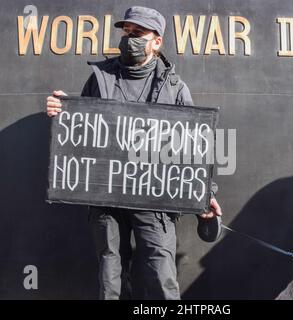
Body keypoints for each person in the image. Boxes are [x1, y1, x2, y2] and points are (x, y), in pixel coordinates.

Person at [46, 6, 222, 300]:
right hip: (106, 195)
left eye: (138, 33)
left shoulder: (175, 88)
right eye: (126, 32)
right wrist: (63, 112)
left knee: (161, 273)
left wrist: (204, 193)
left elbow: (193, 148)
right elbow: (82, 129)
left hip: (155, 195)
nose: (129, 38)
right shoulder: (100, 77)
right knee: (110, 276)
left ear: (157, 41)